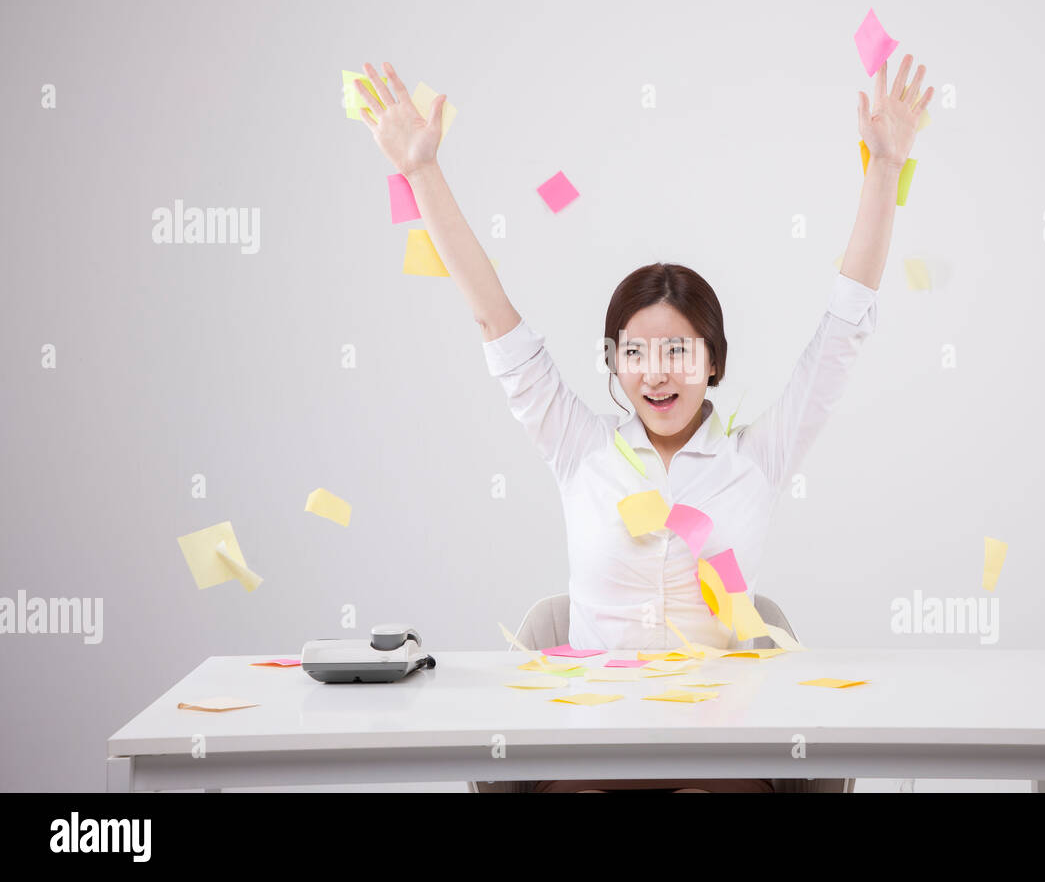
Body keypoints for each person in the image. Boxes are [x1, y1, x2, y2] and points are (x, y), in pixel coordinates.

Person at [352, 57, 933, 792]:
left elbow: (844, 331)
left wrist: (885, 166)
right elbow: (492, 317)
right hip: (592, 748)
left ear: (712, 362)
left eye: (678, 351)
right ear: (615, 363)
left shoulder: (756, 461)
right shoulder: (580, 448)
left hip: (719, 753)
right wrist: (422, 170)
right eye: (636, 352)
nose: (656, 372)